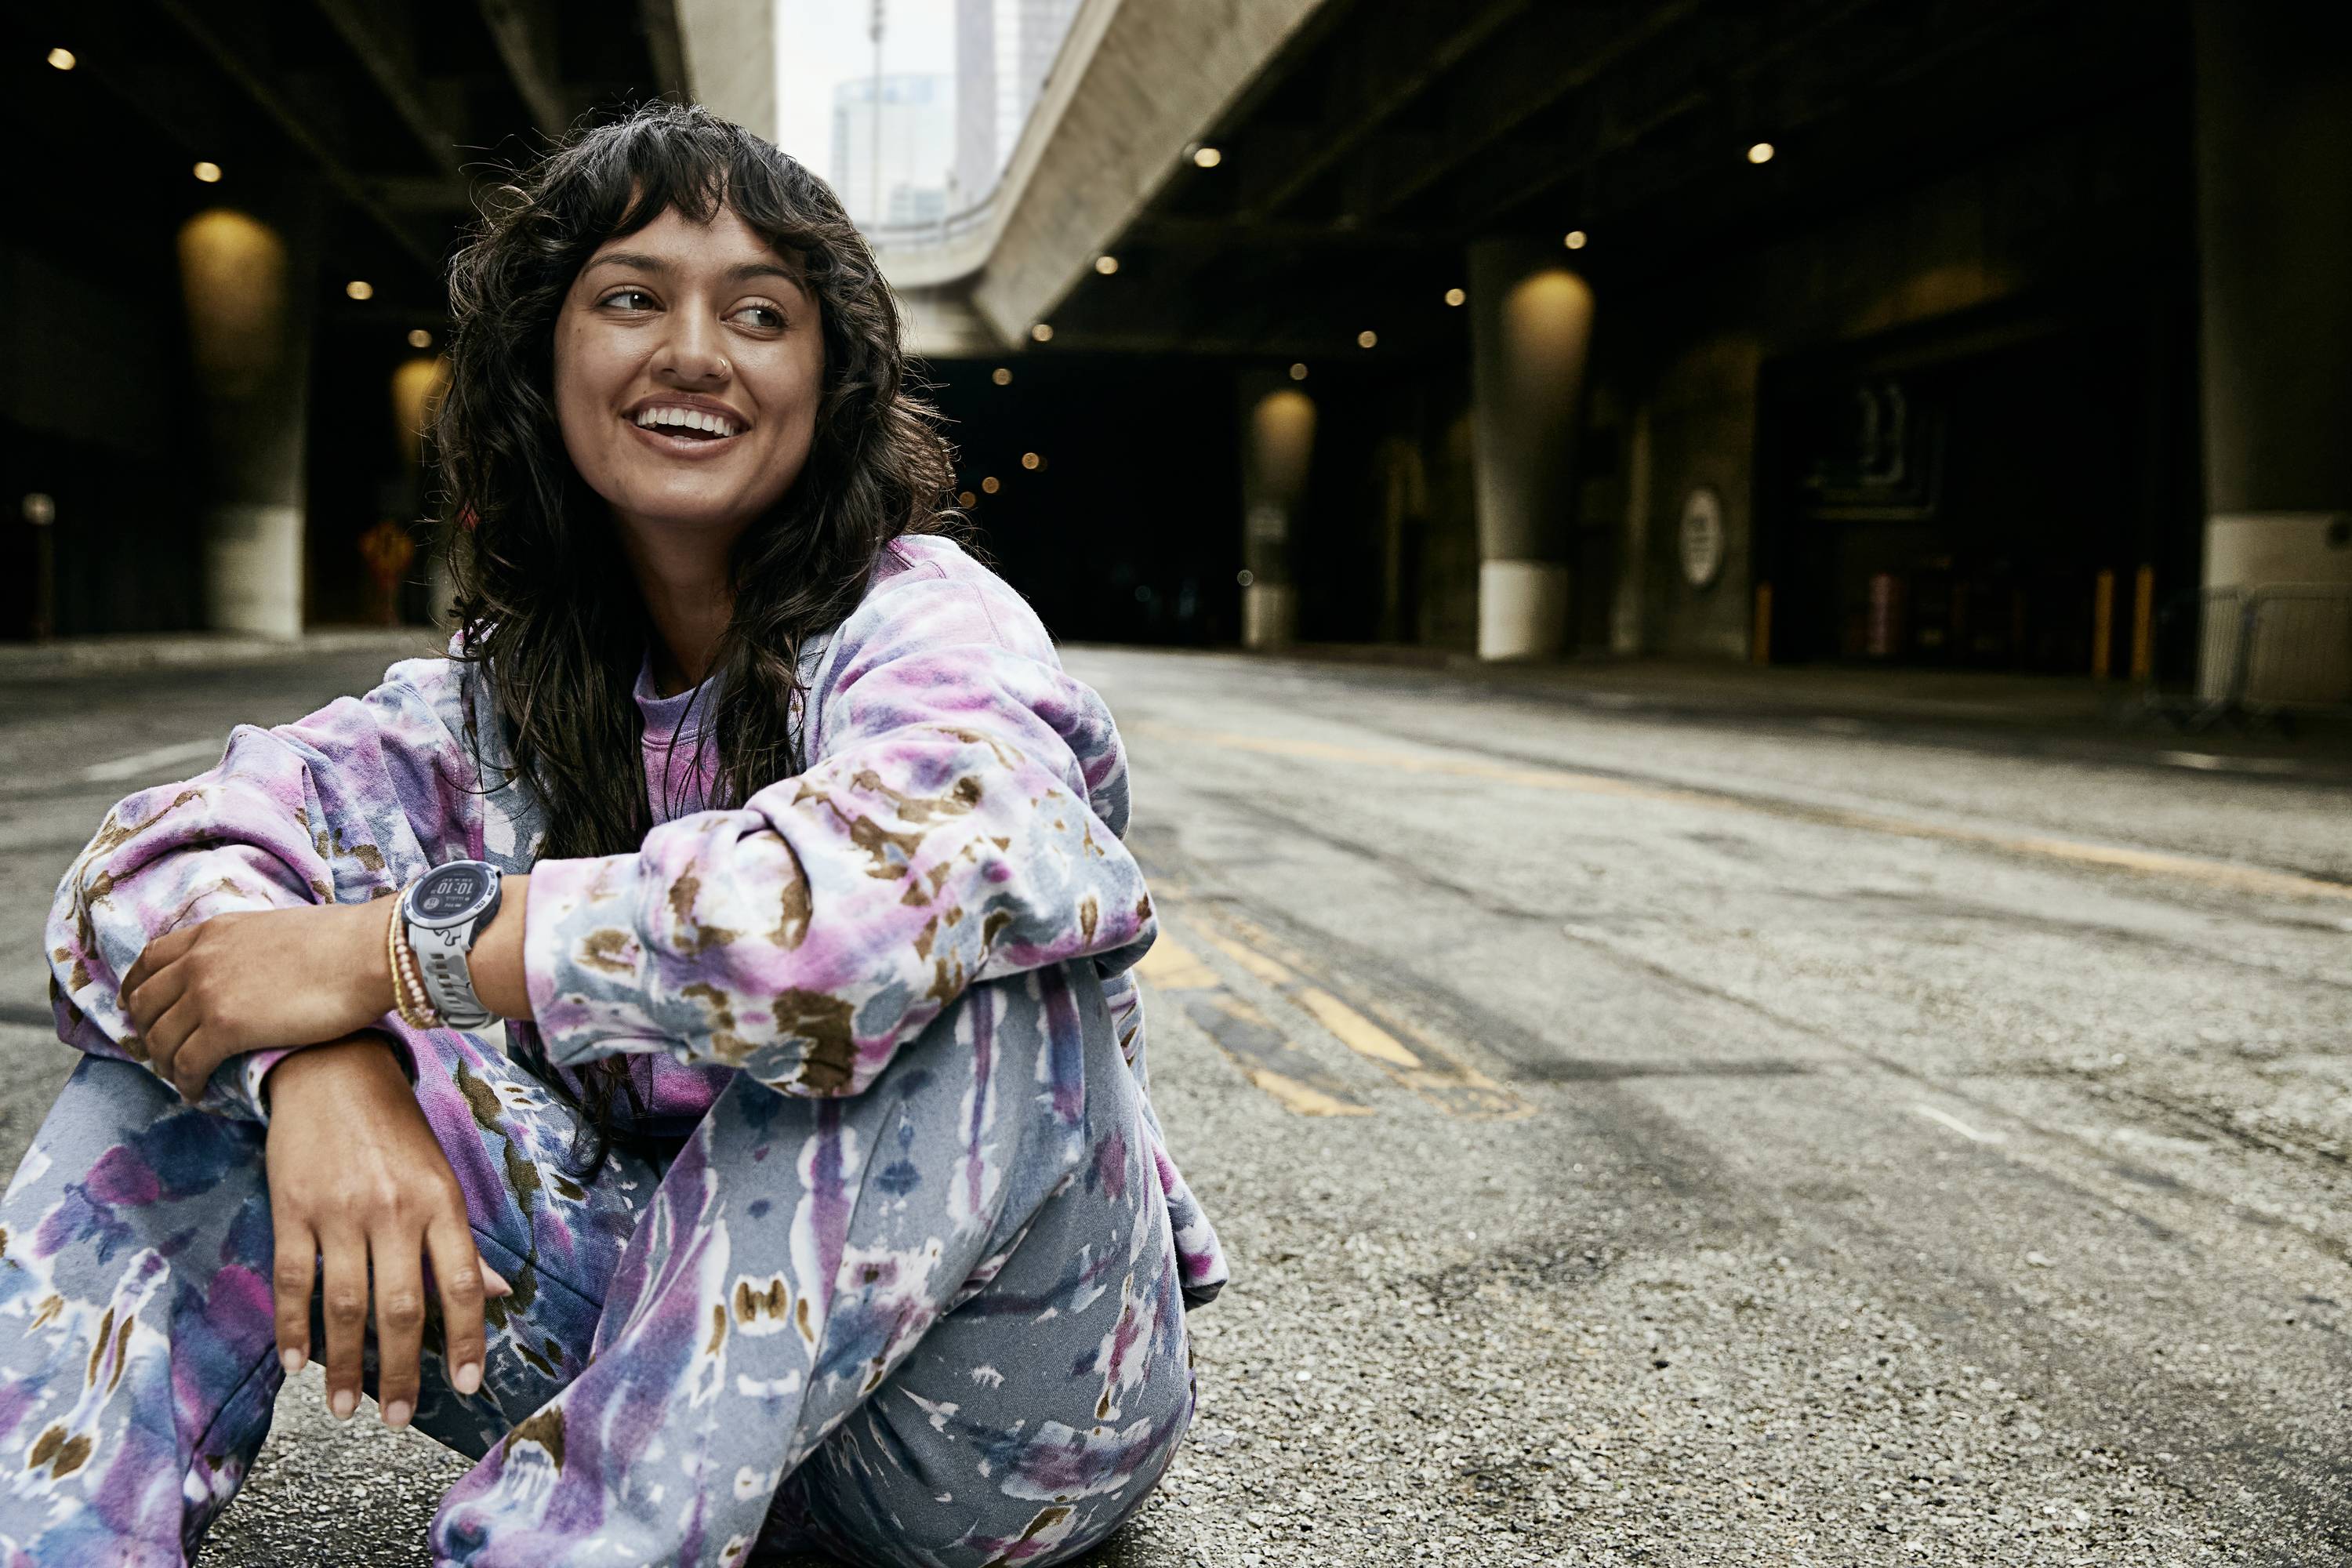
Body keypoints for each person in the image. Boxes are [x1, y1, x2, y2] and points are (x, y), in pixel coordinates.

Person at [0, 101, 1224, 1568]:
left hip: (988, 1442)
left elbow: (884, 898)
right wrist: (315, 1062)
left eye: (759, 313)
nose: (694, 352)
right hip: (651, 1374)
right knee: (191, 1036)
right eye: (632, 298)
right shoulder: (493, 701)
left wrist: (398, 954)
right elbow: (134, 884)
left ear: (829, 383)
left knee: (964, 982)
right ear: (545, 362)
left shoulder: (921, 624)